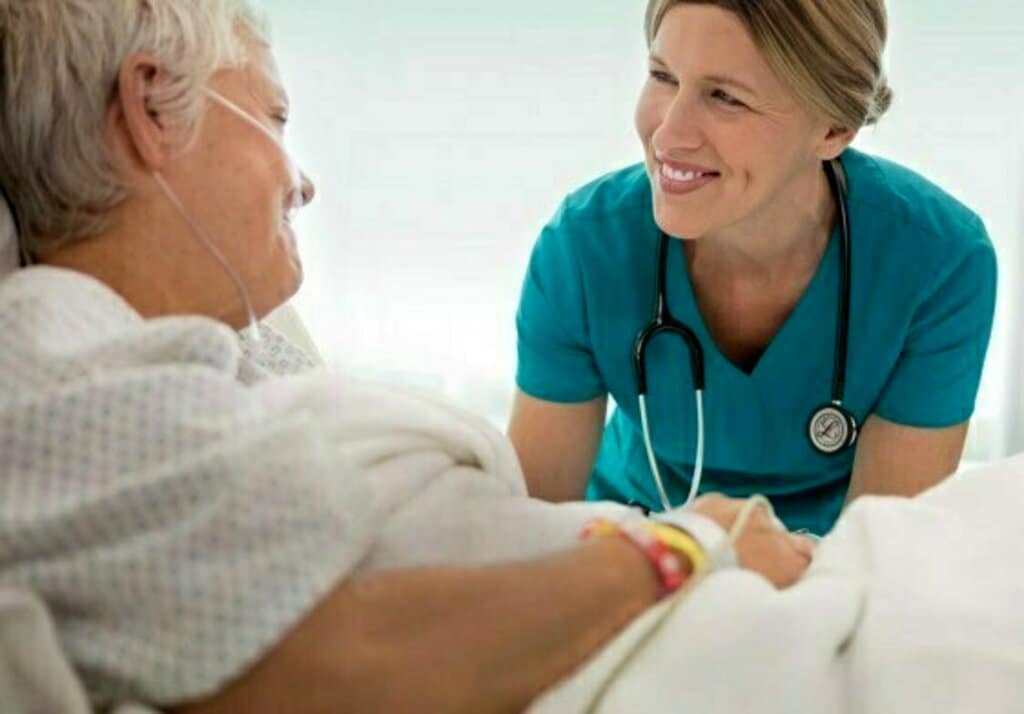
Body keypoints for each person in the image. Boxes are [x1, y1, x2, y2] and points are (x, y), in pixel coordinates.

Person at [0, 3, 813, 712]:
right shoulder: (51, 366)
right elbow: (341, 669)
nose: (303, 181)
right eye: (275, 118)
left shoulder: (197, 359)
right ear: (150, 107)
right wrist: (691, 547)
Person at [509, 0, 998, 535]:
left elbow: (883, 555)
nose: (668, 135)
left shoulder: (938, 263)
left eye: (726, 98)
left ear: (834, 127)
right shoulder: (585, 249)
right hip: (624, 554)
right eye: (662, 76)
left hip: (826, 574)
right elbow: (530, 536)